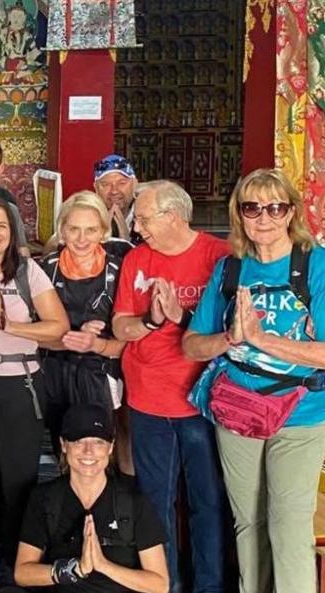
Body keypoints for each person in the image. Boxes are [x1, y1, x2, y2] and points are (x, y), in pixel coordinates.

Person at [183, 169, 325, 593]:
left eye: (275, 207)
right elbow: (191, 345)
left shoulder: (314, 263)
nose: (264, 217)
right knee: (248, 522)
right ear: (239, 215)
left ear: (290, 213)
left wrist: (263, 339)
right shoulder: (231, 269)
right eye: (252, 208)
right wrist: (230, 338)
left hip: (301, 412)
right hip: (239, 410)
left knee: (288, 524)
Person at [112, 180, 229, 593]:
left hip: (204, 401)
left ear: (173, 216)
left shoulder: (220, 256)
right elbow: (120, 326)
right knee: (155, 502)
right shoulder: (137, 260)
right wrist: (152, 321)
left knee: (208, 502)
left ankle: (210, 585)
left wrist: (182, 314)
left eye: (143, 217)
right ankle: (166, 584)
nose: (137, 225)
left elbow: (232, 328)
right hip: (148, 398)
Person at [0, 195, 69, 587]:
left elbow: (57, 328)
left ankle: (21, 555)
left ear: (12, 232)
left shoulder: (26, 272)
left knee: (19, 476)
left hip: (21, 382)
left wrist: (10, 327)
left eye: (1, 226)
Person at [14, 404, 169, 593]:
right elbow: (22, 573)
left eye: (98, 442)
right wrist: (76, 568)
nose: (88, 451)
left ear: (111, 447)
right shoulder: (45, 498)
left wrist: (103, 565)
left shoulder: (133, 502)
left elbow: (159, 584)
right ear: (63, 444)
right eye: (79, 441)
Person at [39, 191, 133, 471]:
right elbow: (34, 329)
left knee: (102, 449)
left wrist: (96, 343)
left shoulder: (121, 270)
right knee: (64, 448)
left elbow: (129, 338)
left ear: (104, 231)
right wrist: (72, 333)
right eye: (74, 229)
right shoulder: (45, 270)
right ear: (62, 231)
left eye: (91, 230)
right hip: (55, 370)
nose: (81, 239)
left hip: (102, 373)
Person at [94, 154, 139, 243]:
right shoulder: (88, 217)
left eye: (122, 183)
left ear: (134, 184)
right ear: (96, 188)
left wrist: (127, 243)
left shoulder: (147, 215)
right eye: (106, 184)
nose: (114, 191)